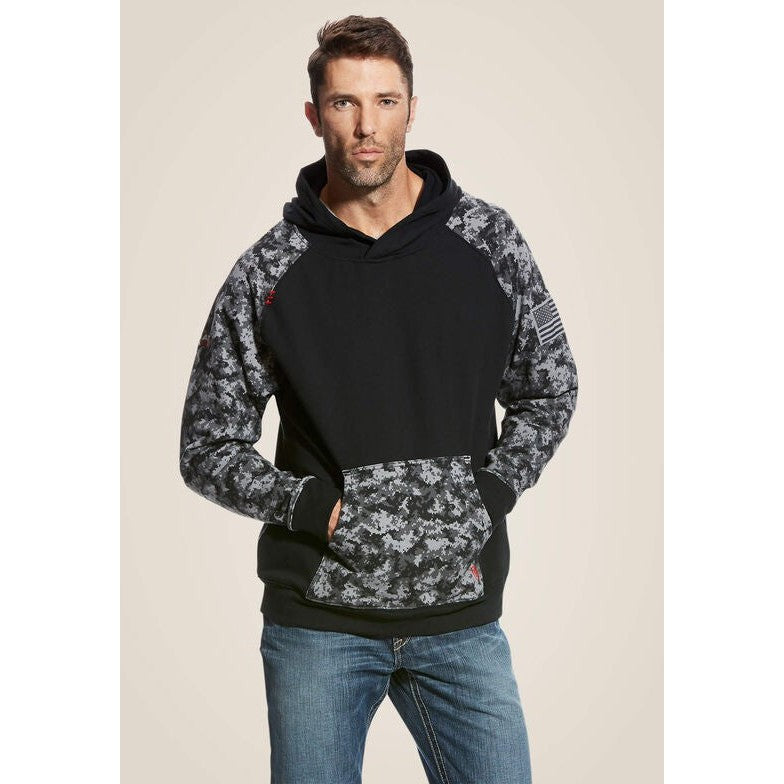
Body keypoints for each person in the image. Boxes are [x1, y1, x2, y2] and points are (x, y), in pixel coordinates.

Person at [179, 14, 578, 784]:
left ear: (412, 109)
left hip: (461, 618)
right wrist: (313, 508)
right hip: (318, 627)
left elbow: (550, 385)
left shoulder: (489, 242)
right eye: (344, 103)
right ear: (314, 115)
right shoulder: (268, 273)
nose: (366, 126)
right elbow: (207, 445)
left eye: (385, 101)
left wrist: (490, 491)